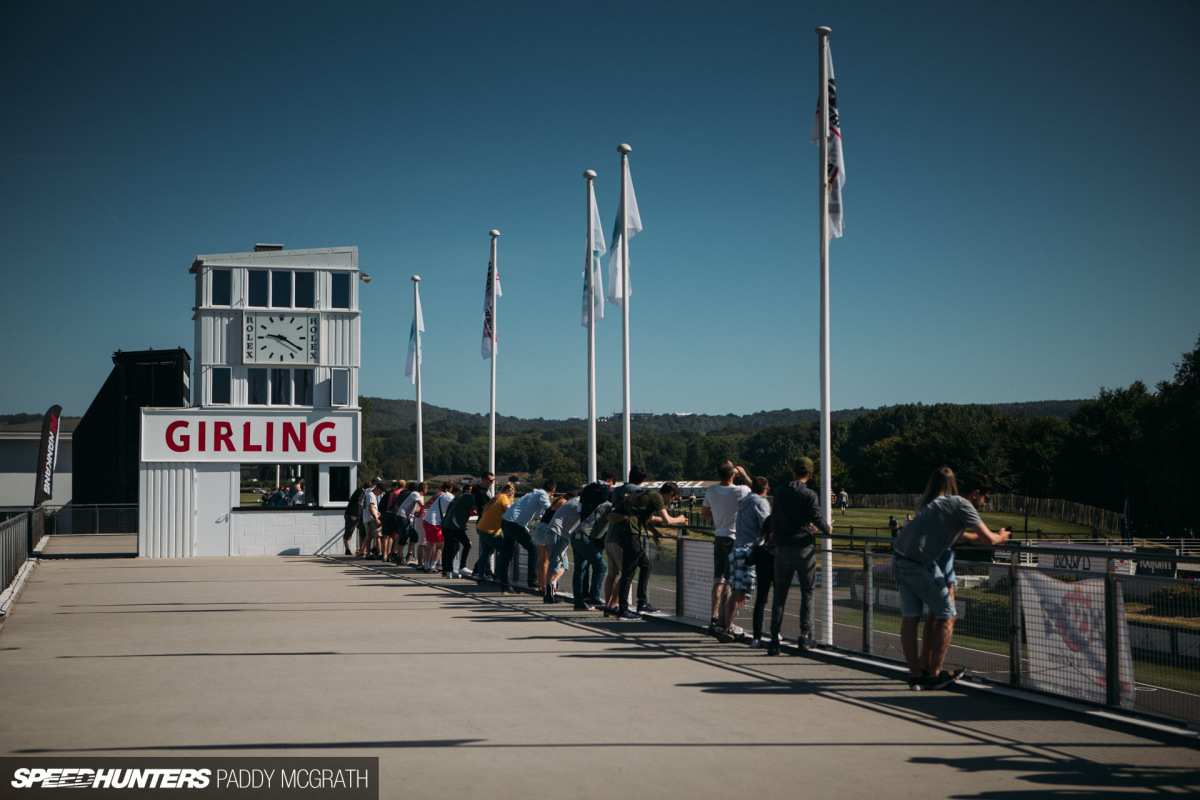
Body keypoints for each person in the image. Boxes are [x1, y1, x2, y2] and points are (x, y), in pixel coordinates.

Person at [893, 471, 1010, 690]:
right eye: (985, 498)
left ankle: (917, 676)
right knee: (948, 615)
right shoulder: (963, 505)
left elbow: (966, 537)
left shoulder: (945, 502)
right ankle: (936, 675)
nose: (984, 504)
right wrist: (1001, 536)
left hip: (900, 559)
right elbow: (988, 539)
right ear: (975, 494)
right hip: (918, 564)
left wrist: (989, 538)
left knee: (910, 619)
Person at [766, 457, 830, 656]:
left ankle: (774, 639)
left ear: (792, 470)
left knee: (779, 595)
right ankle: (804, 636)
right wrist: (828, 528)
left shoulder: (779, 492)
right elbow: (819, 520)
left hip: (783, 547)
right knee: (807, 591)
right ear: (810, 474)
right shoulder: (809, 495)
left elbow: (774, 520)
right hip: (803, 547)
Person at [613, 480, 686, 619]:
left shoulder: (650, 497)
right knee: (629, 571)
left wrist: (655, 532)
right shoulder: (657, 497)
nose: (671, 502)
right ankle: (623, 609)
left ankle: (642, 603)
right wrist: (680, 519)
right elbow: (667, 520)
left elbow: (648, 519)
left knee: (646, 565)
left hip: (625, 532)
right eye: (673, 499)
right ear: (670, 493)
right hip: (629, 533)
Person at [715, 476, 770, 643]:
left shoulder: (744, 501)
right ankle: (726, 628)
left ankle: (721, 624)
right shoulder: (760, 503)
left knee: (738, 591)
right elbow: (767, 524)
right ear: (767, 490)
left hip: (737, 548)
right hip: (749, 551)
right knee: (741, 594)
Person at [702, 460, 751, 634]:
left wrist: (718, 517)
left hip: (719, 537)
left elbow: (705, 514)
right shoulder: (742, 490)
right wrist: (744, 475)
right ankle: (725, 619)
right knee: (730, 583)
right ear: (733, 474)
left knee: (718, 580)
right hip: (734, 539)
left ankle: (714, 617)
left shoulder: (711, 490)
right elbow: (759, 491)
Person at [497, 479, 555, 595]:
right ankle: (532, 580)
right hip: (515, 524)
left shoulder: (534, 493)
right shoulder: (542, 495)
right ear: (553, 490)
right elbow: (549, 510)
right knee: (533, 549)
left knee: (507, 554)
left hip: (507, 521)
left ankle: (505, 586)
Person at [603, 465, 647, 615]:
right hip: (622, 537)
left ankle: (608, 604)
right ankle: (613, 605)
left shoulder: (616, 490)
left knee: (612, 574)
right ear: (643, 479)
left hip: (610, 535)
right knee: (626, 573)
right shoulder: (637, 491)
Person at [473, 482, 514, 583]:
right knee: (504, 550)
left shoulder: (496, 497)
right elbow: (509, 511)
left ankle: (481, 576)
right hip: (490, 530)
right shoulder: (504, 498)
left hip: (481, 527)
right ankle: (498, 573)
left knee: (485, 553)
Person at [440, 488, 477, 578]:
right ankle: (455, 569)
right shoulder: (469, 497)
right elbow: (477, 508)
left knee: (449, 547)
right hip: (454, 526)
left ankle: (447, 570)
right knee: (458, 546)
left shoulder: (459, 497)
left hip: (448, 525)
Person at [396, 481, 426, 565]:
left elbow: (417, 509)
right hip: (402, 517)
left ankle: (409, 554)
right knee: (403, 536)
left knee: (414, 536)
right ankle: (399, 558)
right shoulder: (415, 494)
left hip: (407, 518)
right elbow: (423, 505)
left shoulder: (416, 496)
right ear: (424, 490)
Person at [343, 480, 367, 556]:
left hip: (357, 515)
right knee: (349, 532)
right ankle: (347, 549)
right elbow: (360, 502)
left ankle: (362, 549)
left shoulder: (361, 491)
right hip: (352, 514)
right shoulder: (360, 491)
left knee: (363, 532)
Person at [362, 479, 385, 559]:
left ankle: (368, 553)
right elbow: (370, 508)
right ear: (378, 490)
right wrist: (376, 519)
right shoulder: (371, 495)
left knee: (369, 537)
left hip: (367, 519)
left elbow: (371, 507)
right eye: (381, 492)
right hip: (371, 519)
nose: (380, 494)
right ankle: (379, 553)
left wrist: (377, 511)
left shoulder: (368, 494)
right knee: (378, 536)